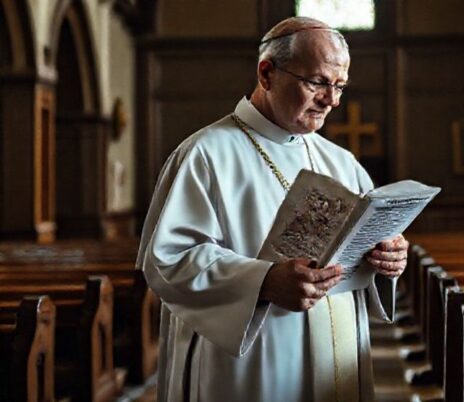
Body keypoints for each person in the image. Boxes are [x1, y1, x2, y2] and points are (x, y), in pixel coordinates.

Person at [137, 16, 408, 402]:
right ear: (267, 73)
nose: (331, 100)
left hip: (339, 351)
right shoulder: (206, 154)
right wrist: (262, 282)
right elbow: (167, 261)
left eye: (340, 86)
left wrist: (388, 257)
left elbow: (365, 244)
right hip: (251, 363)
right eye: (317, 82)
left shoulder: (342, 162)